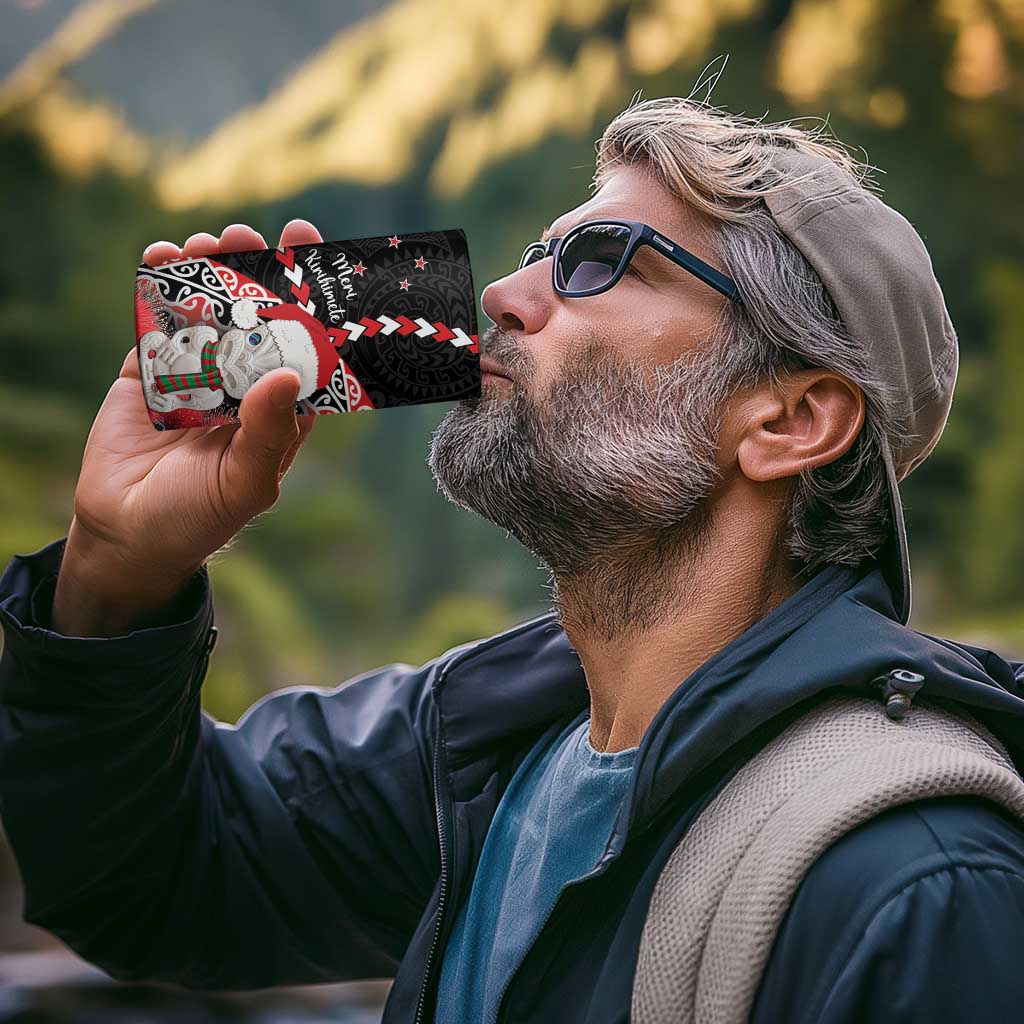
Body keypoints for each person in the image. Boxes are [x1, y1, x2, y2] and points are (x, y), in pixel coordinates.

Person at [2, 95, 1024, 1024]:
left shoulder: (918, 884)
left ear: (791, 420)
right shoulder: (480, 747)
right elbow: (149, 880)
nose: (500, 291)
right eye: (540, 251)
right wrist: (116, 570)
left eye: (599, 261)